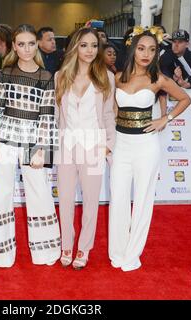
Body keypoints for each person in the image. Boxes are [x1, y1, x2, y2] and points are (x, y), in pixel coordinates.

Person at [109, 26, 191, 272]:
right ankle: (118, 251)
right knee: (119, 199)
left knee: (143, 200)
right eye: (142, 48)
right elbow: (114, 109)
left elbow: (186, 99)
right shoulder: (118, 77)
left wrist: (165, 118)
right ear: (133, 49)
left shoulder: (158, 79)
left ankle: (132, 254)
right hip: (122, 146)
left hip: (146, 146)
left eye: (152, 50)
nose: (146, 54)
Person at [0, 24, 60, 268]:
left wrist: (43, 149)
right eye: (21, 44)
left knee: (40, 194)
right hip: (5, 141)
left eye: (31, 43)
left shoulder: (46, 76)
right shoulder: (5, 74)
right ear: (13, 46)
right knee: (1, 195)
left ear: (37, 45)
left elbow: (47, 115)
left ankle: (46, 253)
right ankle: (3, 256)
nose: (27, 49)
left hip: (35, 143)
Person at [55, 28, 116, 270]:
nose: (90, 50)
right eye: (84, 45)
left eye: (93, 45)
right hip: (66, 146)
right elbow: (57, 115)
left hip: (94, 146)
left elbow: (109, 113)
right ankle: (66, 245)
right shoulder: (61, 76)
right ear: (74, 48)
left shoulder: (106, 76)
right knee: (66, 200)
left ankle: (84, 247)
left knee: (91, 202)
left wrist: (108, 145)